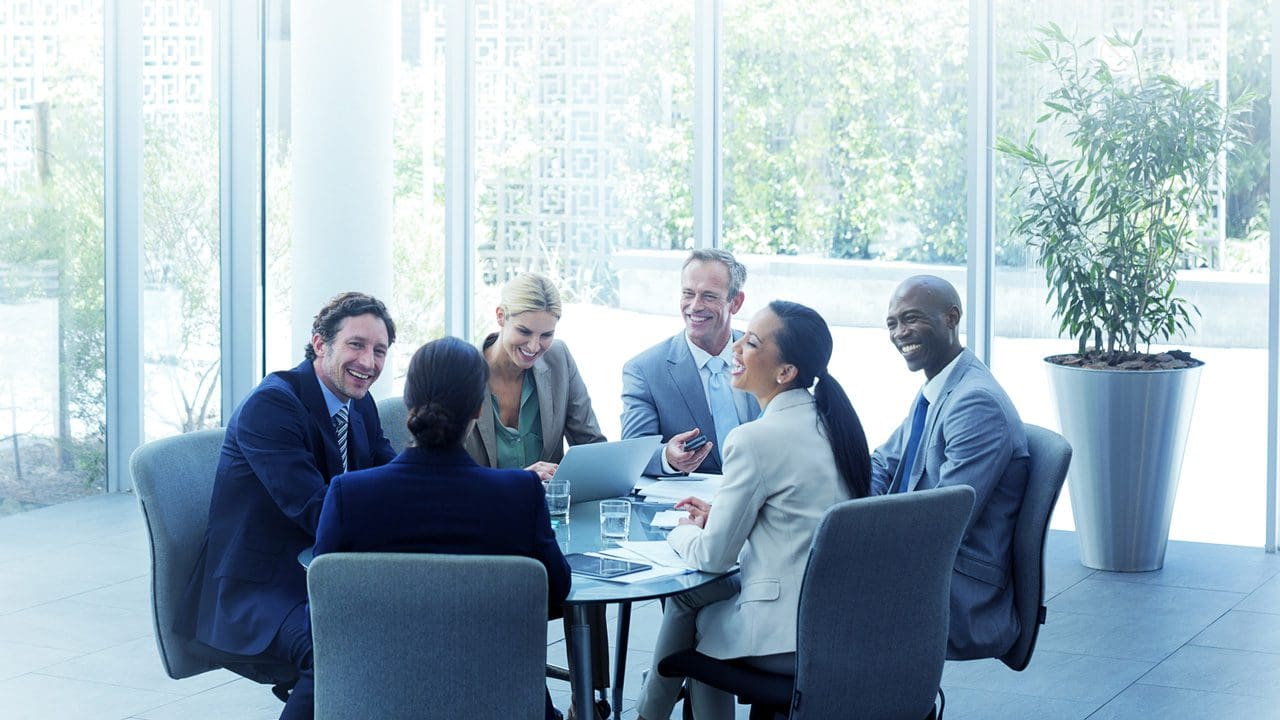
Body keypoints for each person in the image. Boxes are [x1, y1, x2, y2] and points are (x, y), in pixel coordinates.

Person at [314, 337, 571, 720]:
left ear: (407, 402)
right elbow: (555, 594)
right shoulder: (518, 495)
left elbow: (327, 608)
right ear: (480, 408)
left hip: (377, 701)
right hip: (499, 701)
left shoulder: (350, 496)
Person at [637, 300, 871, 720]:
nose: (735, 348)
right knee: (693, 602)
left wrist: (679, 530)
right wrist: (721, 514)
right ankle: (647, 714)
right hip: (842, 621)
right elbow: (798, 513)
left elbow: (712, 557)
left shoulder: (754, 439)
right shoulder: (833, 425)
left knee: (698, 618)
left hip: (786, 635)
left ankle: (648, 714)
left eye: (752, 343)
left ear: (785, 373)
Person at [178, 292, 398, 720]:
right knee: (337, 646)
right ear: (320, 344)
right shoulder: (273, 405)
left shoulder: (359, 403)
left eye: (379, 351)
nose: (368, 362)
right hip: (258, 589)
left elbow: (394, 476)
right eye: (356, 344)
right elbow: (317, 512)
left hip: (320, 573)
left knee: (409, 625)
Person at [871, 274, 1030, 660]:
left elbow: (943, 520)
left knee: (805, 595)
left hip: (957, 589)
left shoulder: (975, 403)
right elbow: (883, 462)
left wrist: (858, 531)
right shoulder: (939, 388)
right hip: (926, 565)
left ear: (951, 317)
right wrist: (846, 508)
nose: (899, 333)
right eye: (892, 323)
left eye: (911, 319)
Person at [621, 249, 761, 476]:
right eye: (688, 293)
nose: (695, 306)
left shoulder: (764, 355)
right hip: (688, 503)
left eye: (709, 296)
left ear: (735, 302)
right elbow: (633, 451)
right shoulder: (645, 370)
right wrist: (667, 457)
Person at [464, 271, 605, 480]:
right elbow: (443, 473)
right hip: (482, 508)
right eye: (525, 331)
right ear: (501, 316)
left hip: (546, 508)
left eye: (546, 335)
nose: (534, 346)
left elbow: (591, 446)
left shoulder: (559, 359)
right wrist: (519, 482)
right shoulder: (462, 372)